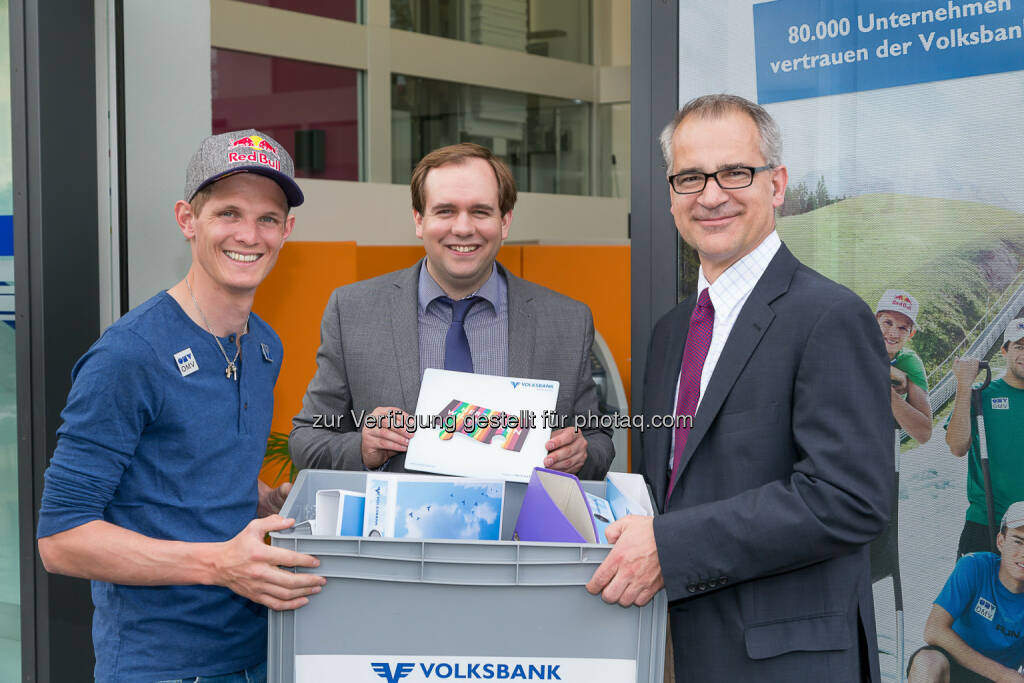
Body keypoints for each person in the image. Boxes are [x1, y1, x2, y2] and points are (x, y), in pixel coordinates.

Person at [585, 94, 893, 680]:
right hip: (674, 648)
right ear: (671, 196)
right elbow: (668, 490)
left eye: (734, 172)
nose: (710, 195)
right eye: (690, 177)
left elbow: (848, 499)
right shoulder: (673, 332)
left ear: (776, 185)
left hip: (786, 665)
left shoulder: (830, 317)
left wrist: (669, 548)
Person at [36, 129, 326, 682]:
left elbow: (185, 476)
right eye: (228, 213)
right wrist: (221, 564)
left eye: (268, 218)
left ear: (287, 231)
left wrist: (264, 501)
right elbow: (62, 540)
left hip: (262, 651)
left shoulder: (264, 344)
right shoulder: (129, 355)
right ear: (187, 220)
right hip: (162, 667)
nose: (249, 234)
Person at [290, 143, 613, 479]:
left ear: (505, 221)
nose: (462, 228)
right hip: (400, 531)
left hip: (519, 529)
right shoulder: (354, 311)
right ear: (419, 220)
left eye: (480, 212)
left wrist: (580, 454)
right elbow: (306, 440)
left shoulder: (566, 321)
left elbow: (598, 440)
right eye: (445, 211)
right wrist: (362, 448)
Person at [907, 501, 1024, 683]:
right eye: (1018, 541)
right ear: (1001, 541)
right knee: (927, 662)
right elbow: (934, 630)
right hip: (955, 668)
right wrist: (1001, 674)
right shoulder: (974, 567)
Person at [946, 318, 1024, 557]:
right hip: (986, 521)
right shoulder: (981, 394)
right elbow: (958, 447)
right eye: (1020, 346)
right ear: (1004, 350)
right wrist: (964, 386)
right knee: (970, 591)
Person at [876, 288, 933, 443]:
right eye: (888, 323)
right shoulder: (854, 346)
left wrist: (886, 390)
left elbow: (923, 434)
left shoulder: (909, 361)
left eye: (902, 328)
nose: (893, 333)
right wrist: (894, 374)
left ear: (911, 334)